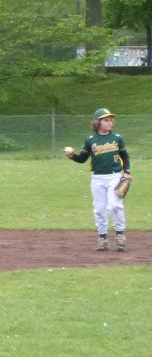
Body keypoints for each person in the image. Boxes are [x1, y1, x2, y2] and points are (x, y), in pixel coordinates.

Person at [64, 107, 130, 251]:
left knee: (115, 206)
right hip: (97, 178)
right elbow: (82, 159)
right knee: (99, 209)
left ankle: (120, 236)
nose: (110, 122)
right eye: (106, 120)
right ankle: (102, 238)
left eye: (111, 120)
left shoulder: (117, 138)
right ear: (98, 122)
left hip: (115, 176)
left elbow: (125, 157)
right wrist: (72, 156)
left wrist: (127, 172)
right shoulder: (90, 140)